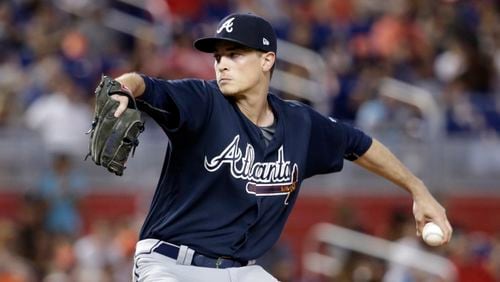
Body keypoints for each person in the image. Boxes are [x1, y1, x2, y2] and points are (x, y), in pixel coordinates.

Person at [109, 12, 452, 282]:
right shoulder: (203, 101)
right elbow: (145, 85)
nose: (221, 64)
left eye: (235, 54)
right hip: (171, 265)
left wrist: (417, 189)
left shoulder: (301, 125)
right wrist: (122, 89)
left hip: (240, 271)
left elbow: (359, 145)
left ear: (267, 60)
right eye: (218, 57)